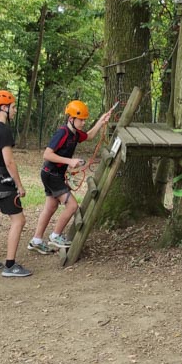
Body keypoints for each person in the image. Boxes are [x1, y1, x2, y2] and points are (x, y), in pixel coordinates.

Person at [27, 100, 112, 253]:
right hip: (51, 174)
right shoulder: (63, 133)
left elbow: (90, 136)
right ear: (71, 119)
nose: (84, 123)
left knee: (51, 207)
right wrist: (70, 161)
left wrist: (101, 120)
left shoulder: (75, 133)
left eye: (85, 120)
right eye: (81, 120)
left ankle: (36, 241)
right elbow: (47, 154)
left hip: (53, 174)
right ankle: (55, 236)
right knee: (72, 206)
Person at [0, 89, 31, 277]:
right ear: (4, 107)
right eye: (13, 107)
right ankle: (10, 265)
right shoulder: (3, 130)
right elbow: (9, 161)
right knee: (19, 220)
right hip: (2, 179)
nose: (15, 110)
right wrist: (19, 184)